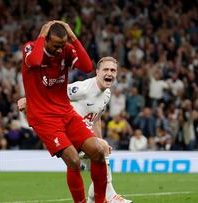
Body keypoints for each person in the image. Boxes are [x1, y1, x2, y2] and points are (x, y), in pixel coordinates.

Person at [19, 57, 132, 203]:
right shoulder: (82, 89)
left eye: (113, 70)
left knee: (101, 155)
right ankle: (109, 196)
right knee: (99, 152)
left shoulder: (107, 94)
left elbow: (96, 119)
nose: (109, 73)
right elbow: (54, 92)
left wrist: (100, 138)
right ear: (97, 72)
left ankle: (97, 196)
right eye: (105, 69)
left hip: (85, 136)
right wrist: (29, 100)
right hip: (68, 132)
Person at [21, 20, 107, 203]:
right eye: (56, 45)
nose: (60, 50)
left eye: (63, 44)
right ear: (44, 39)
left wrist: (73, 37)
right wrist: (42, 34)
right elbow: (35, 61)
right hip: (43, 118)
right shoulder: (30, 48)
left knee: (98, 151)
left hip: (66, 112)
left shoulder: (66, 49)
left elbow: (87, 66)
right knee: (74, 161)